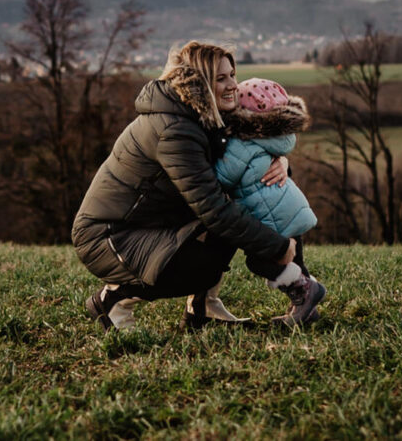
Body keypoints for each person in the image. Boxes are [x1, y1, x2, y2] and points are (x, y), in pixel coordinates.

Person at [71, 41, 321, 331]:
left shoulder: (205, 115)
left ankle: (210, 308)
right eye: (221, 78)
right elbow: (212, 208)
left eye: (232, 75)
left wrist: (280, 163)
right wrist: (277, 247)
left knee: (260, 198)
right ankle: (112, 300)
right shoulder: (175, 130)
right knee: (203, 261)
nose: (232, 86)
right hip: (109, 236)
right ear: (200, 83)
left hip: (157, 223)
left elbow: (243, 170)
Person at [214, 77, 325, 325]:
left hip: (271, 218)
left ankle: (307, 290)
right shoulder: (277, 139)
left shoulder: (242, 143)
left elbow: (223, 177)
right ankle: (306, 312)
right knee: (295, 261)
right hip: (289, 211)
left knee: (260, 261)